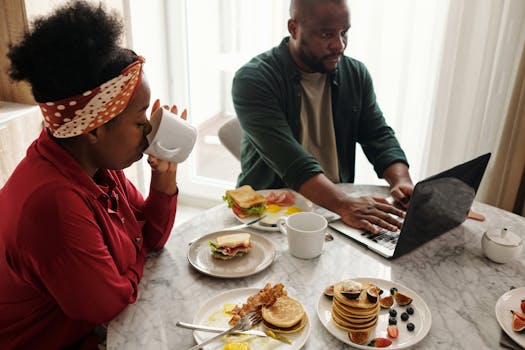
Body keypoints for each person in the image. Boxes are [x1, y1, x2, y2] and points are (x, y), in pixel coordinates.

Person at [0, 2, 180, 348]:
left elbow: (150, 238)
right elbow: (107, 304)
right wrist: (129, 263)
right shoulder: (52, 202)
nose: (148, 130)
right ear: (94, 128)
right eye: (140, 118)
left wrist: (163, 180)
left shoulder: (93, 165)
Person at [232, 0, 414, 233]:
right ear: (293, 28)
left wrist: (402, 181)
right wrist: (344, 204)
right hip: (269, 215)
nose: (339, 45)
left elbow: (378, 135)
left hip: (335, 208)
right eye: (327, 34)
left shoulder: (356, 74)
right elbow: (292, 162)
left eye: (344, 33)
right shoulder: (254, 80)